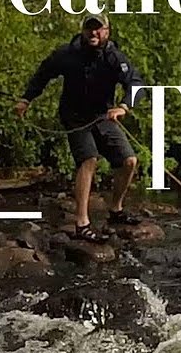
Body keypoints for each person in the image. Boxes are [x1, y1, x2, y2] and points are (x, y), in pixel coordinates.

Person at [15, 12, 146, 242]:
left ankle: (116, 210)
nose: (93, 32)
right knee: (89, 159)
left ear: (106, 31)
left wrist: (124, 106)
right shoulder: (67, 54)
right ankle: (82, 223)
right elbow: (43, 73)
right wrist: (26, 99)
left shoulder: (114, 57)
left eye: (98, 28)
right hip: (74, 117)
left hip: (103, 116)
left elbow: (137, 85)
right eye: (89, 28)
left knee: (129, 161)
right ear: (83, 31)